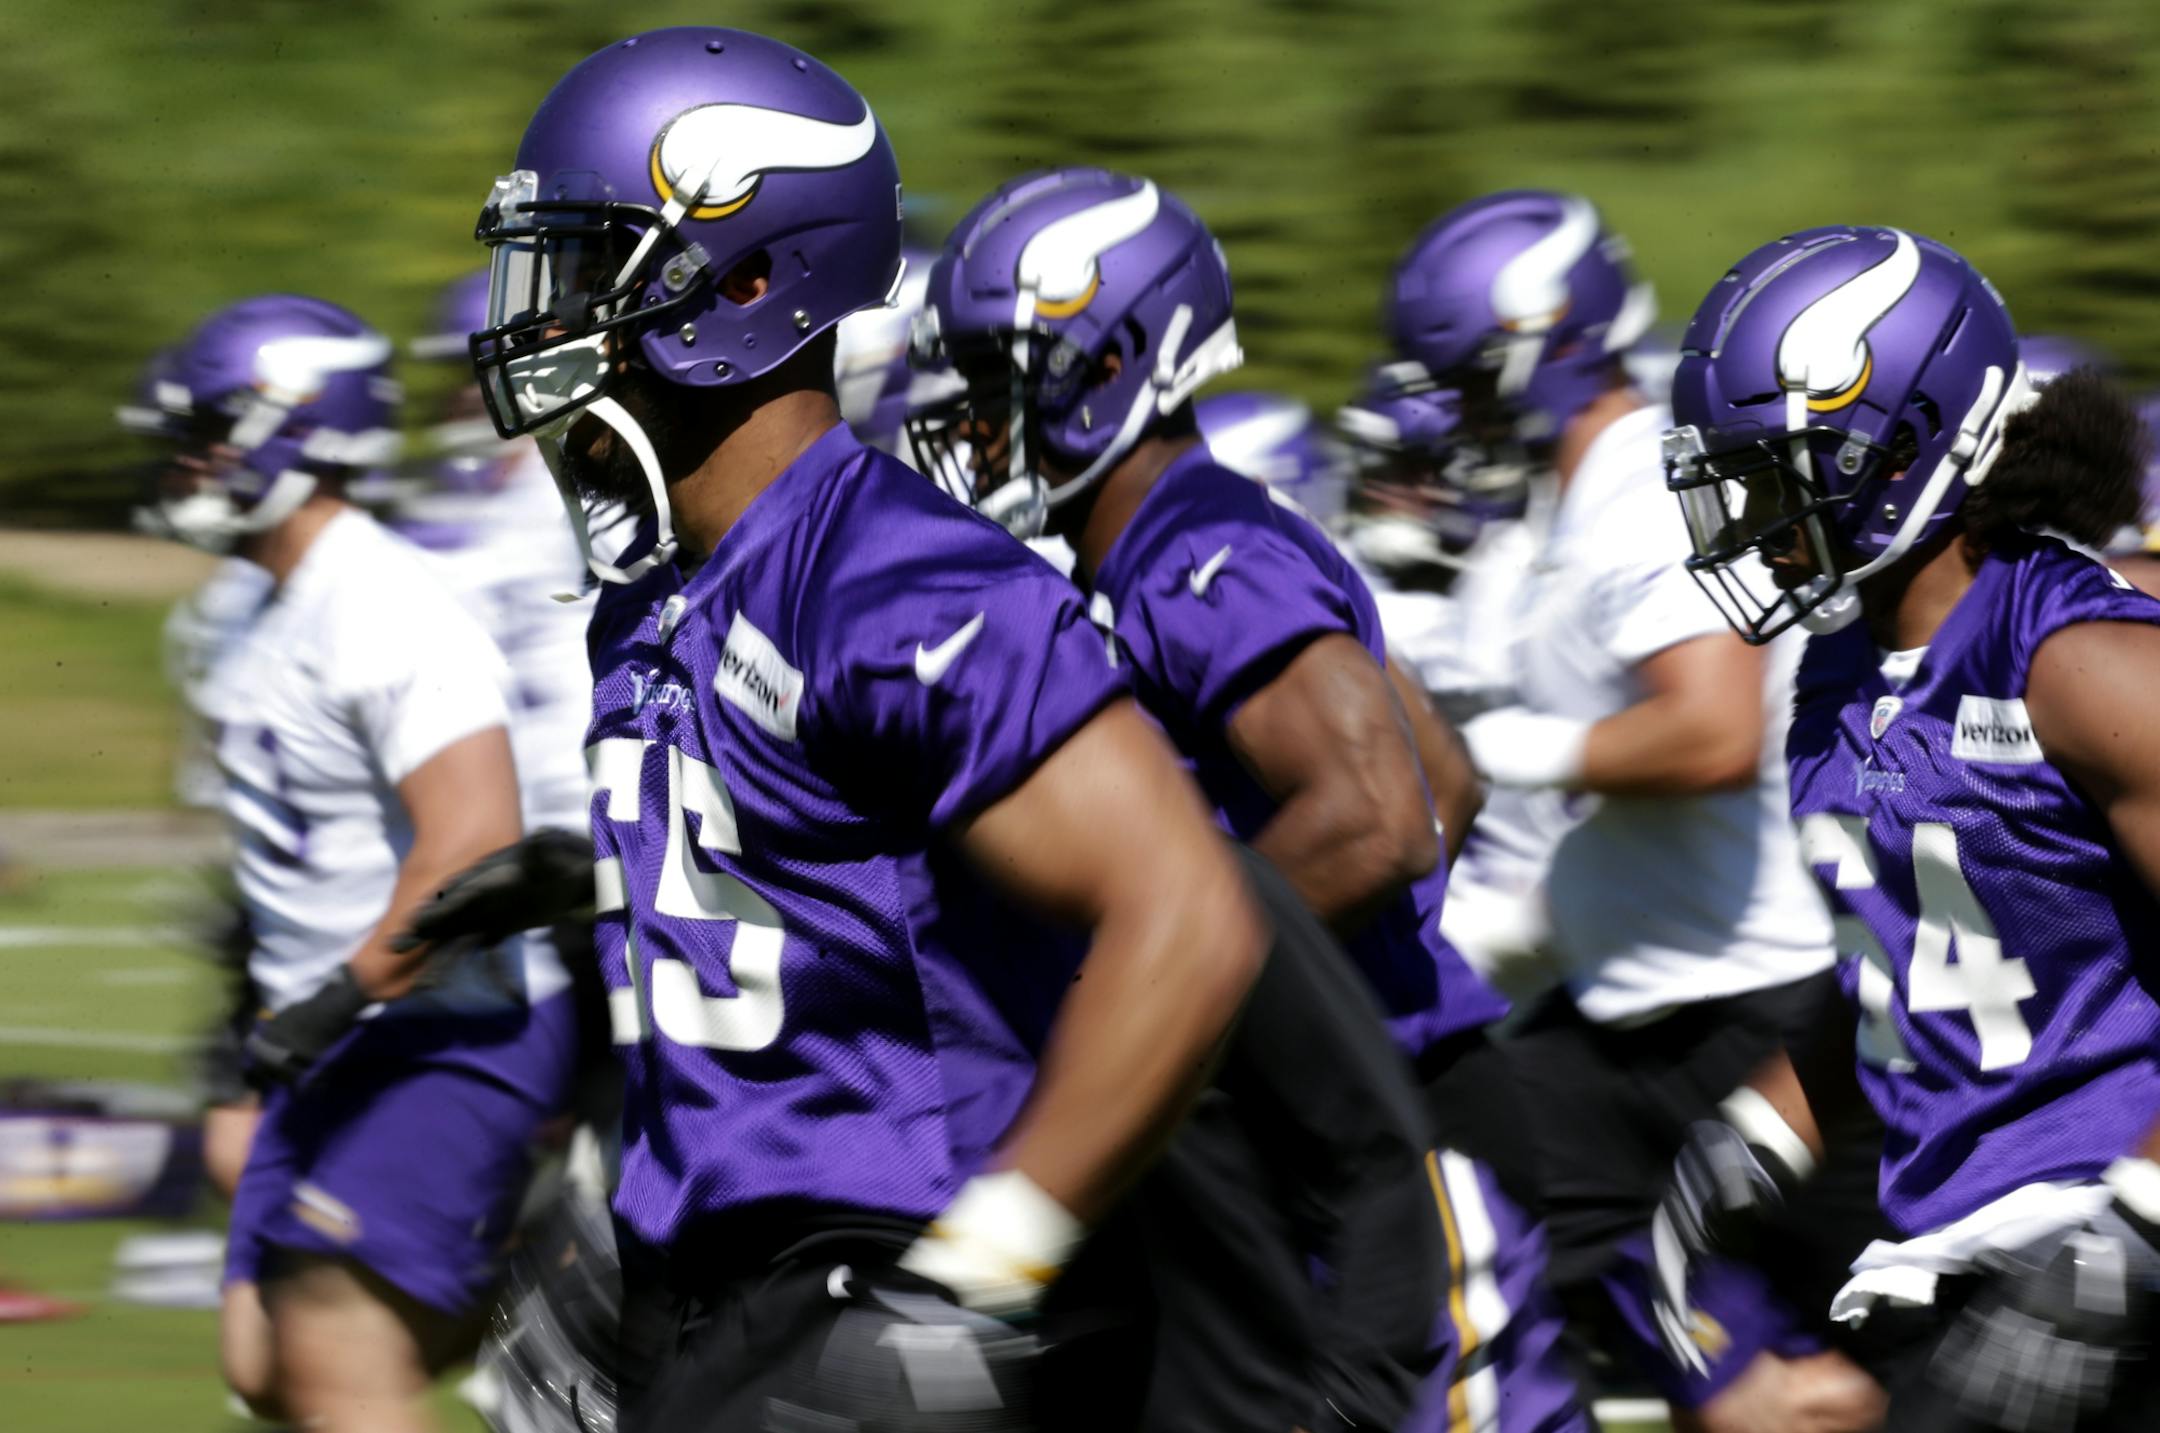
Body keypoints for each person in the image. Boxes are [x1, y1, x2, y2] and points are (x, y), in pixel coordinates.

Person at [449, 29, 1307, 1431]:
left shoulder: (902, 582)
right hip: (724, 1294)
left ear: (734, 282)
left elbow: (1188, 918)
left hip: (889, 1275)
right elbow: (762, 938)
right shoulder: (655, 586)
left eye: (586, 268)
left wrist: (976, 1282)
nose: (540, 320)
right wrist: (630, 1223)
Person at [912, 163, 1587, 1433]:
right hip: (1325, 1130)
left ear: (1102, 368)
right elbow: (1441, 768)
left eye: (995, 375)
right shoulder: (1180, 541)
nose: (971, 416)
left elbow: (1386, 807)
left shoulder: (1193, 550)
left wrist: (1178, 973)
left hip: (1395, 1120)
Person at [1383, 190, 1887, 1429]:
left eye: (1471, 381)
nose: (1455, 415)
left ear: (1547, 346)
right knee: (1483, 1190)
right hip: (1620, 1012)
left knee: (1896, 1343)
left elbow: (1709, 732)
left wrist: (1504, 746)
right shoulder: (1552, 517)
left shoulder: (1643, 487)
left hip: (1752, 1007)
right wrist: (1514, 924)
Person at [1656, 224, 2160, 1431]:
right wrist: (1761, 1127)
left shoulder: (2078, 658)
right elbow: (1921, 947)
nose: (1752, 517)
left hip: (2107, 1247)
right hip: (1966, 1255)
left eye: (1781, 473)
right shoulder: (1839, 679)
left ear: (1902, 451)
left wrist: (2139, 1219)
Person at [125, 293, 577, 1431]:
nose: (190, 459)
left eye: (215, 429)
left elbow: (474, 838)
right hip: (331, 1028)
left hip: (445, 1022)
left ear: (299, 431)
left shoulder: (384, 607)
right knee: (265, 1365)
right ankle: (578, 1286)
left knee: (335, 1338)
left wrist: (333, 1003)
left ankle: (587, 1277)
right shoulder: (252, 610)